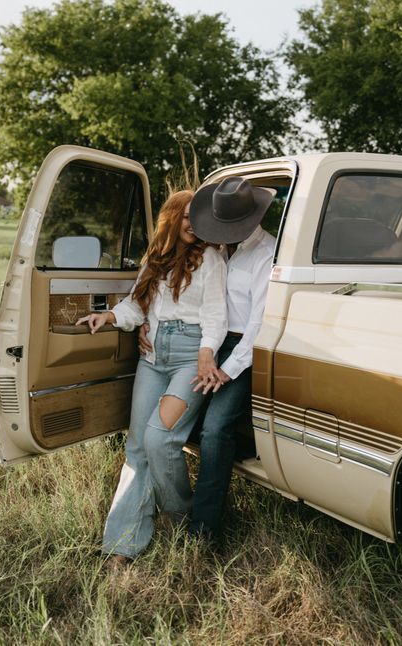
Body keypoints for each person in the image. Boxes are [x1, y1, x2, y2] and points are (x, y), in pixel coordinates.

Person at [76, 190, 227, 562]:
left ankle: (179, 517)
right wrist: (109, 317)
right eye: (187, 217)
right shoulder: (155, 258)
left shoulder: (210, 257)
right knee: (138, 447)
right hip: (153, 355)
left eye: (198, 218)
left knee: (160, 439)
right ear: (171, 217)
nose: (193, 224)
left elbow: (216, 313)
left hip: (191, 357)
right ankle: (123, 545)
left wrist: (206, 354)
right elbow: (137, 304)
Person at [139, 177, 275, 543]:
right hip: (204, 343)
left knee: (215, 430)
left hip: (242, 350)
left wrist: (226, 372)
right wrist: (147, 324)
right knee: (188, 426)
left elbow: (259, 325)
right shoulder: (216, 247)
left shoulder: (265, 255)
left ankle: (203, 531)